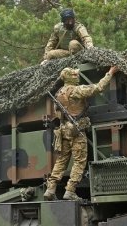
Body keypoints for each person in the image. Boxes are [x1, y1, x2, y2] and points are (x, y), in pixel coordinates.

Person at [44, 65, 118, 201]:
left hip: (63, 130)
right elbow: (98, 88)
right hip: (76, 131)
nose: (77, 76)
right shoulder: (77, 90)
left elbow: (58, 113)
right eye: (74, 75)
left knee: (61, 161)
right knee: (79, 161)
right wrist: (110, 73)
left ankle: (50, 188)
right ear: (70, 77)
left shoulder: (59, 92)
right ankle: (70, 191)